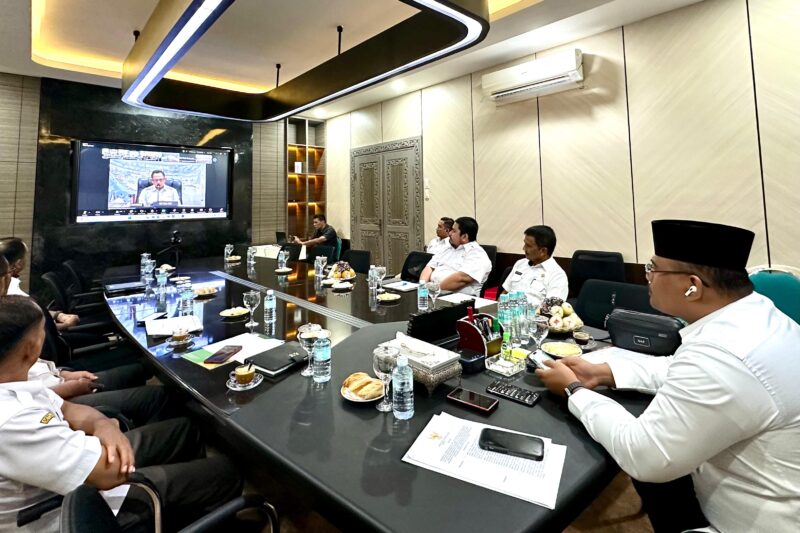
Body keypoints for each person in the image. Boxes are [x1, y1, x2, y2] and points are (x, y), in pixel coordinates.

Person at [535, 219, 800, 533]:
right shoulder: (755, 314)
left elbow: (644, 455)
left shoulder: (725, 354)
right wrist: (605, 372)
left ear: (692, 286)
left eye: (653, 268)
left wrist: (575, 390)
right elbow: (679, 368)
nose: (647, 277)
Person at [0, 295, 242, 532]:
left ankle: (190, 513)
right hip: (78, 511)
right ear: (31, 349)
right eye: (43, 332)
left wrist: (104, 425)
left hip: (86, 464)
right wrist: (106, 432)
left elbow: (68, 408)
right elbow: (109, 475)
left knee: (184, 430)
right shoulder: (11, 420)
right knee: (227, 472)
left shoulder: (16, 383)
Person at [0, 237, 80, 330]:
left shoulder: (12, 287)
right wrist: (65, 325)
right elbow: (26, 331)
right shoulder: (10, 293)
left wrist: (58, 315)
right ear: (18, 263)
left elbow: (30, 311)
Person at [419, 216, 492, 297]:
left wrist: (433, 290)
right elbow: (429, 267)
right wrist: (422, 288)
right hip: (432, 294)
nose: (449, 233)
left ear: (464, 237)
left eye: (454, 231)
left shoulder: (477, 254)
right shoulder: (447, 248)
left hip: (458, 301)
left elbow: (461, 279)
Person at [501, 225, 568, 306]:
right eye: (524, 244)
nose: (523, 248)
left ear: (543, 251)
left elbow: (551, 310)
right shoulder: (520, 264)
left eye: (528, 246)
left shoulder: (557, 275)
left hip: (531, 317)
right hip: (505, 314)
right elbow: (505, 293)